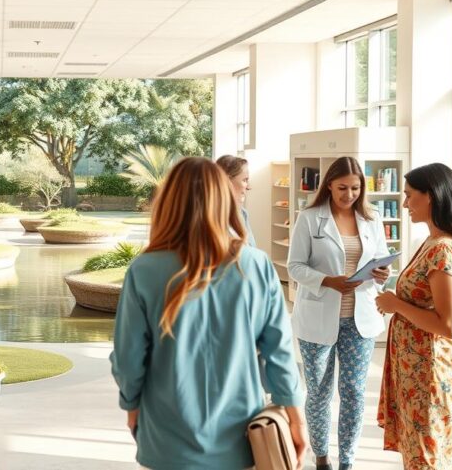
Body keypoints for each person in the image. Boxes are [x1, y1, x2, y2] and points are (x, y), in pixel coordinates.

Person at [110, 157, 308, 470]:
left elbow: (128, 357)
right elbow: (279, 353)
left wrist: (131, 406)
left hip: (166, 438)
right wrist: (295, 418)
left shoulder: (144, 269)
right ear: (224, 199)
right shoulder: (256, 265)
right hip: (241, 436)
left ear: (169, 202)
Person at [287, 156, 391, 470]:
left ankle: (347, 459)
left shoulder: (372, 219)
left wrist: (384, 272)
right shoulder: (310, 218)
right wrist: (326, 281)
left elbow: (383, 259)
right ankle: (321, 456)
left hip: (360, 321)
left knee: (355, 393)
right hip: (318, 318)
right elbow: (295, 267)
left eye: (356, 188)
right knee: (319, 391)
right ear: (329, 184)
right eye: (343, 187)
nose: (349, 194)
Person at [376, 163, 452, 470]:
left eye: (410, 196)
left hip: (433, 378)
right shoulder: (432, 243)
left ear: (431, 196)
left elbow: (447, 325)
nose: (405, 204)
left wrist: (395, 304)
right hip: (420, 374)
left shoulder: (443, 250)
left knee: (428, 461)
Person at [215, 154, 256, 246]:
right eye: (245, 180)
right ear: (226, 181)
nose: (248, 187)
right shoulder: (208, 217)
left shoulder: (243, 214)